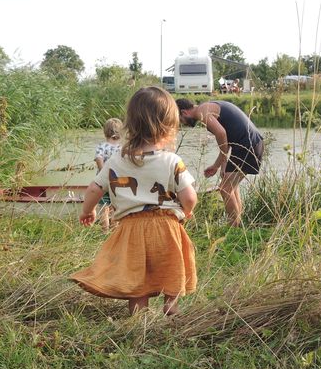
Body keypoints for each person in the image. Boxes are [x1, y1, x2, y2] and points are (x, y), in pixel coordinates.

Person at [72, 87, 198, 315]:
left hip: (131, 228)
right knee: (171, 266)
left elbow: (94, 188)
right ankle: (171, 306)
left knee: (136, 275)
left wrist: (87, 211)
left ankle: (139, 317)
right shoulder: (172, 160)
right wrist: (187, 211)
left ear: (130, 123)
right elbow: (189, 196)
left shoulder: (116, 160)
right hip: (167, 226)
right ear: (169, 126)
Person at [176, 98, 263, 226]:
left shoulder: (202, 111)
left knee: (225, 189)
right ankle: (238, 225)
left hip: (248, 145)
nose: (183, 124)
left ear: (184, 112)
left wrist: (222, 162)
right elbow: (227, 137)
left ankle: (234, 229)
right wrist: (220, 165)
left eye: (181, 121)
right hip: (250, 144)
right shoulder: (207, 107)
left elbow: (221, 134)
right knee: (231, 188)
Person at [93, 118, 122, 230]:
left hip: (103, 181)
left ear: (106, 131)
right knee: (115, 207)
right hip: (118, 181)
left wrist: (104, 174)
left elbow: (99, 159)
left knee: (103, 207)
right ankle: (115, 230)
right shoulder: (122, 147)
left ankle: (105, 231)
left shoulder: (102, 146)